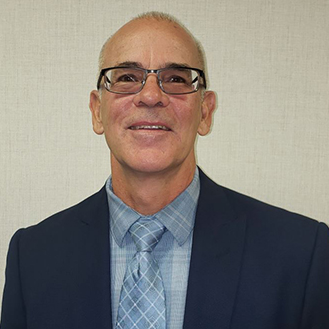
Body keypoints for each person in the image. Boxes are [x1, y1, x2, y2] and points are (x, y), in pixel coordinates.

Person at [1, 11, 329, 329]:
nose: (151, 95)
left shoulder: (301, 255)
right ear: (97, 111)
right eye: (127, 77)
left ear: (205, 112)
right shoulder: (33, 257)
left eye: (175, 79)